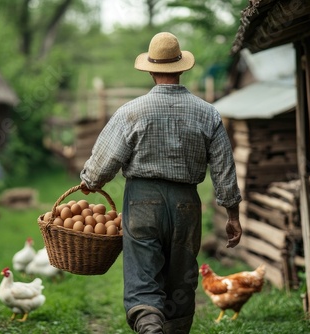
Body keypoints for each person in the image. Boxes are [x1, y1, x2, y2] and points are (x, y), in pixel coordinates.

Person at [80, 32, 242, 334]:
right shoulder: (208, 114)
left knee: (143, 275)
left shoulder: (130, 112)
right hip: (186, 206)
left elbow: (101, 165)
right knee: (181, 278)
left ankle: (149, 327)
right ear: (181, 68)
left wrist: (90, 181)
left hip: (142, 203)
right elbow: (224, 169)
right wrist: (232, 213)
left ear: (152, 70)